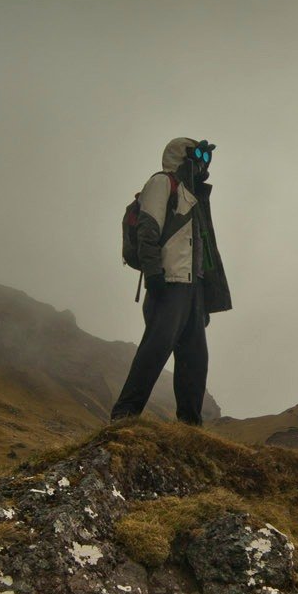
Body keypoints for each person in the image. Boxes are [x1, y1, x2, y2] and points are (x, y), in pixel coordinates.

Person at [111, 136, 231, 424]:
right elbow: (148, 228)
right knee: (155, 349)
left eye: (206, 159)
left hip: (192, 289)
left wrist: (203, 299)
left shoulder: (193, 196)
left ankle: (190, 428)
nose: (202, 164)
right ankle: (124, 416)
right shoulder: (162, 183)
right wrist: (154, 274)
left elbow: (200, 250)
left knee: (195, 360)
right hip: (169, 283)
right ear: (181, 156)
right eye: (198, 157)